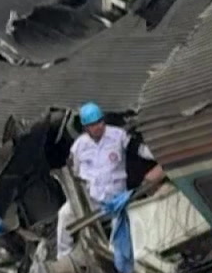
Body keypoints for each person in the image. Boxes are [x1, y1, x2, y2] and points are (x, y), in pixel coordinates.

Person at [57, 101, 165, 260]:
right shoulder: (79, 146)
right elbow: (75, 173)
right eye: (93, 125)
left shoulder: (118, 135)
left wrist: (162, 154)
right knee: (65, 214)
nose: (99, 127)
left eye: (100, 122)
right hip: (91, 199)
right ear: (86, 128)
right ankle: (63, 257)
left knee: (119, 239)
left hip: (116, 199)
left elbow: (140, 150)